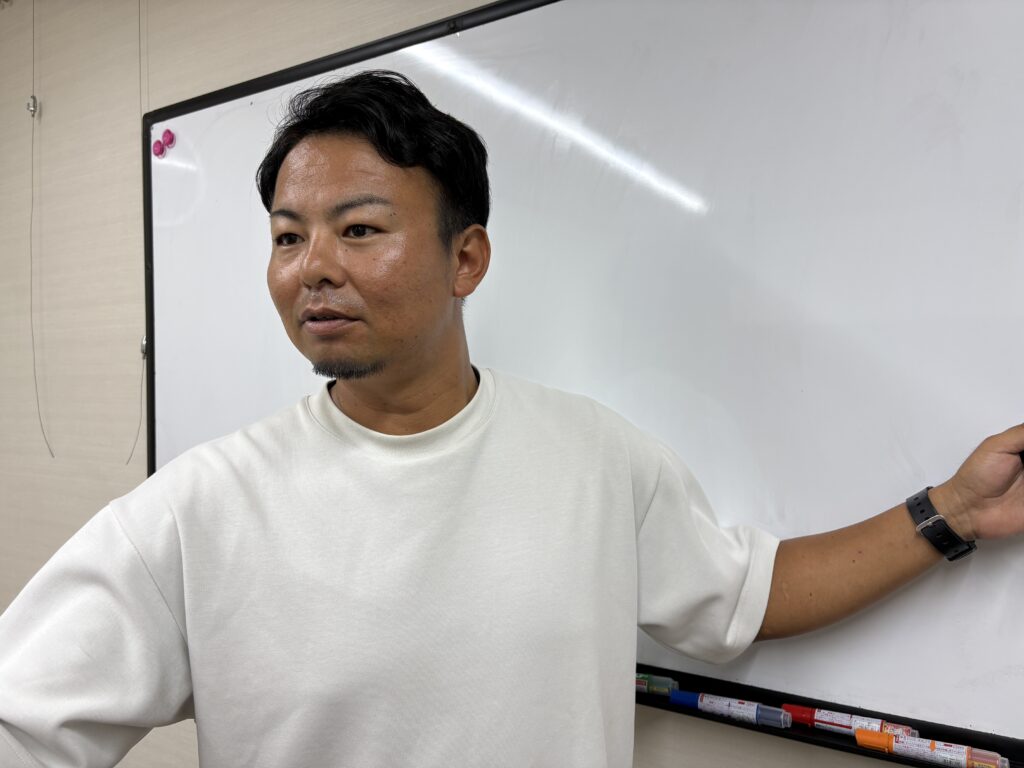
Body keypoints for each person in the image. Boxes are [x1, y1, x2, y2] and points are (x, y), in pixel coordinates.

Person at [1, 70, 1022, 768]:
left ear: (467, 259)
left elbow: (750, 595)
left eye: (359, 229)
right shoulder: (199, 509)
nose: (312, 268)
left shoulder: (594, 458)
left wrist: (952, 511)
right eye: (286, 236)